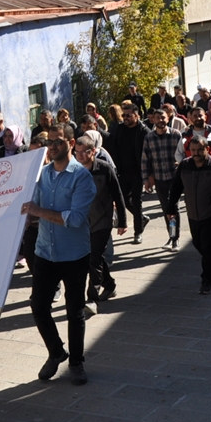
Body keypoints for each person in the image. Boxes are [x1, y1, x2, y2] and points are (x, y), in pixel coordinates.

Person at [21, 124, 97, 385]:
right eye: (49, 143)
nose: (52, 147)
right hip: (45, 252)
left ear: (71, 143)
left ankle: (77, 363)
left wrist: (38, 212)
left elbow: (75, 219)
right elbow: (31, 208)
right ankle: (56, 352)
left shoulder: (81, 177)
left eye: (58, 142)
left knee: (74, 311)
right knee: (38, 306)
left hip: (74, 255)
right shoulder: (43, 174)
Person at [167, 135, 211, 295]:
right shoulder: (184, 166)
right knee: (199, 244)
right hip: (193, 214)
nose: (196, 153)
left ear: (207, 149)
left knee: (207, 247)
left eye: (200, 150)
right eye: (193, 150)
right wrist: (171, 208)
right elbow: (176, 188)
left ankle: (207, 279)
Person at [74, 132, 127, 312]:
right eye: (77, 152)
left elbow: (118, 194)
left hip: (103, 220)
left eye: (84, 152)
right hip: (82, 222)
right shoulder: (74, 170)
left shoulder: (104, 169)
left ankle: (91, 299)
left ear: (93, 151)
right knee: (95, 257)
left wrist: (122, 221)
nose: (80, 155)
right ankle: (109, 285)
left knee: (93, 258)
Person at [141, 108, 182, 249]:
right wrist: (146, 178)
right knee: (166, 209)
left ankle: (175, 237)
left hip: (174, 177)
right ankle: (170, 236)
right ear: (153, 119)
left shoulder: (176, 135)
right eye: (157, 118)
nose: (160, 120)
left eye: (163, 117)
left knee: (173, 208)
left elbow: (183, 155)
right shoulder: (149, 138)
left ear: (168, 118)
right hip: (159, 178)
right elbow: (145, 159)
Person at [107, 102, 148, 243]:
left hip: (138, 171)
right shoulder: (119, 129)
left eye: (128, 115)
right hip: (122, 171)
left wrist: (149, 174)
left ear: (137, 115)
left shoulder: (143, 131)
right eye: (123, 115)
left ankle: (138, 232)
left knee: (137, 201)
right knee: (122, 200)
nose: (125, 117)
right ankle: (141, 218)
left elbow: (148, 154)